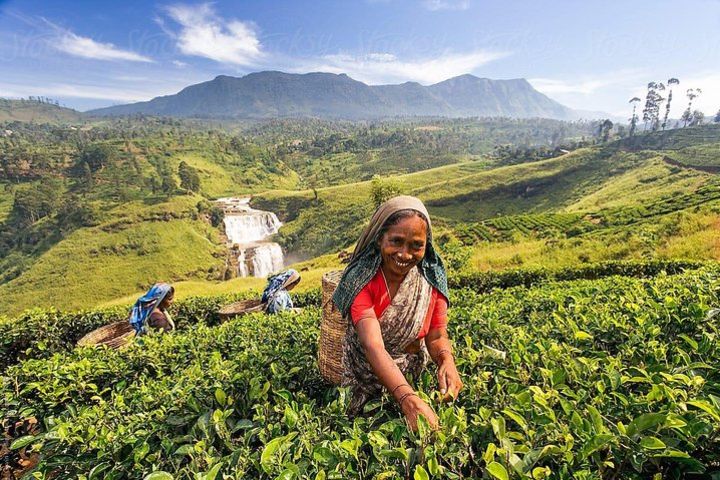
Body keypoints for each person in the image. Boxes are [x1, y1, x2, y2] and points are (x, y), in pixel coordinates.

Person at [332, 196, 463, 431]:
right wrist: (408, 400)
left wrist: (446, 361)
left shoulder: (430, 281)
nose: (405, 254)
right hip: (366, 377)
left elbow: (436, 336)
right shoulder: (361, 282)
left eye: (416, 246)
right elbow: (374, 346)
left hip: (413, 374)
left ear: (427, 245)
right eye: (396, 242)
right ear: (380, 239)